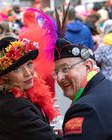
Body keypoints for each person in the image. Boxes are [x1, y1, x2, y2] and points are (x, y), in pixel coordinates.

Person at [46, 5, 112, 140]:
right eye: (55, 72)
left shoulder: (84, 109)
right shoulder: (105, 85)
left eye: (65, 69)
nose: (59, 78)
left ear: (88, 66)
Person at [0, 36, 60, 140]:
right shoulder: (16, 107)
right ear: (4, 75)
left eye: (29, 64)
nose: (28, 73)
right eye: (17, 69)